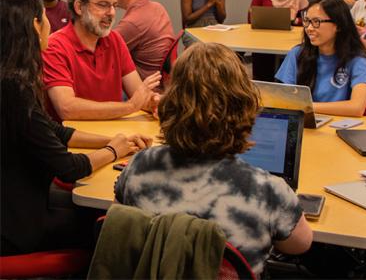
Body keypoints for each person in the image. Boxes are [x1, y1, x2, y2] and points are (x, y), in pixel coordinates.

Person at [114, 42, 313, 275]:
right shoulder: (267, 190)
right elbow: (300, 245)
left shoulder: (139, 166)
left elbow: (119, 224)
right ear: (244, 106)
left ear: (171, 100)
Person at [0, 0, 152, 256]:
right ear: (35, 26)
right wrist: (114, 151)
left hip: (18, 205)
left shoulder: (11, 81)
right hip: (17, 228)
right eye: (44, 17)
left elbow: (54, 130)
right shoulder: (16, 91)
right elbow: (69, 168)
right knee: (111, 225)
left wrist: (115, 141)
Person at [42, 0, 161, 122]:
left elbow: (139, 96)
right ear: (79, 7)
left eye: (114, 6)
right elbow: (67, 108)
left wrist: (155, 102)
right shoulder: (55, 46)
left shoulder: (114, 40)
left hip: (115, 135)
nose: (111, 13)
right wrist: (130, 107)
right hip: (76, 141)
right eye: (103, 5)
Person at [275, 0, 366, 117]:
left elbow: (357, 108)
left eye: (316, 22)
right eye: (307, 21)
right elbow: (284, 98)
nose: (309, 28)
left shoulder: (357, 59)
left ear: (338, 25)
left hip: (341, 126)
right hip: (304, 125)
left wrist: (307, 106)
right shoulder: (297, 53)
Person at [108, 0, 176, 81]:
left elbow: (103, 54)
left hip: (145, 88)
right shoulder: (158, 7)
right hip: (162, 82)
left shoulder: (132, 23)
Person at [249, 0, 309, 81]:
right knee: (263, 78)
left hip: (290, 42)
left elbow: (308, 20)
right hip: (264, 41)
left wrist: (295, 21)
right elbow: (251, 18)